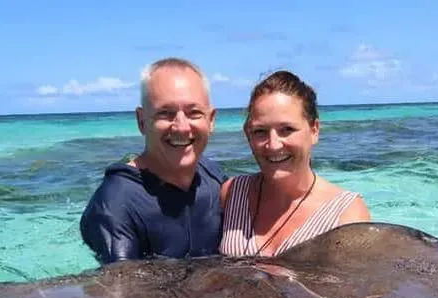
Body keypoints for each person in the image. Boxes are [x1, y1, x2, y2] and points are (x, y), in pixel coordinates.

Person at [80, 58, 228, 263]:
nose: (182, 127)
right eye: (165, 114)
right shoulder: (116, 204)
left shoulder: (215, 179)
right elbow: (121, 291)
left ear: (211, 120)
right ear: (141, 121)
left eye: (194, 113)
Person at [219, 71, 370, 257]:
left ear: (314, 130)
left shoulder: (346, 214)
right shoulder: (233, 193)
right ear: (247, 134)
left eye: (287, 130)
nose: (273, 145)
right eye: (260, 131)